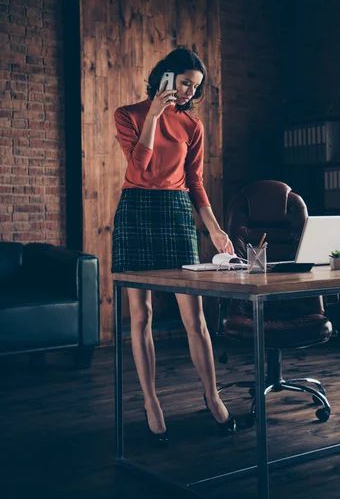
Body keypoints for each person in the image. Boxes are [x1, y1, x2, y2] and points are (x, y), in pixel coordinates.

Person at [112, 48, 236, 444]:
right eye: (184, 83)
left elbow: (195, 181)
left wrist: (214, 229)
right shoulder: (127, 115)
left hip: (178, 212)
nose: (188, 93)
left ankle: (212, 395)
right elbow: (139, 167)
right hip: (136, 210)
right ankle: (151, 402)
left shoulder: (192, 125)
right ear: (165, 77)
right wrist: (153, 115)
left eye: (194, 87)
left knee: (194, 317)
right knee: (141, 316)